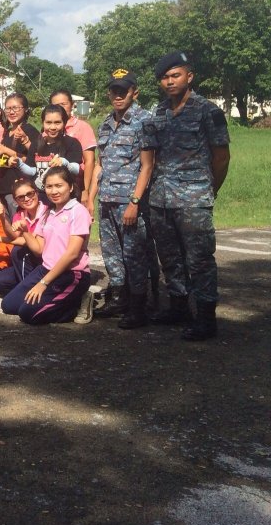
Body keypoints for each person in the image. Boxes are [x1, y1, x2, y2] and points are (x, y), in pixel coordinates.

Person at [143, 51, 230, 340]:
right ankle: (178, 306)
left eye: (175, 75)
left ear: (189, 77)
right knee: (170, 258)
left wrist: (208, 189)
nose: (169, 81)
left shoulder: (208, 111)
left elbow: (221, 157)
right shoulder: (158, 112)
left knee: (200, 260)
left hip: (194, 200)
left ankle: (206, 318)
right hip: (161, 199)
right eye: (165, 78)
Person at [93, 69, 154, 329]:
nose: (118, 96)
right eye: (114, 91)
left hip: (129, 201)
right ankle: (119, 298)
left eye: (123, 91)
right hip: (106, 199)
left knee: (134, 254)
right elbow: (100, 164)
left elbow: (148, 166)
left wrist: (134, 202)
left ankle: (139, 307)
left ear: (134, 93)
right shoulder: (106, 123)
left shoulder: (144, 121)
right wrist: (90, 198)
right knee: (111, 253)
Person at [0, 166, 92, 325]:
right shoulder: (48, 213)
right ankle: (64, 299)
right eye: (49, 186)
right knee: (8, 305)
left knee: (28, 314)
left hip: (71, 273)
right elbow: (39, 250)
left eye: (59, 186)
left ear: (70, 187)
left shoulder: (78, 211)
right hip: (45, 269)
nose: (54, 191)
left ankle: (78, 302)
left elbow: (72, 254)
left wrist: (43, 283)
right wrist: (25, 232)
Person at [16, 105, 84, 201]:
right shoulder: (36, 144)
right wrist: (18, 163)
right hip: (41, 198)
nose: (52, 127)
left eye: (57, 122)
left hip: (64, 198)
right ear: (43, 123)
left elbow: (76, 169)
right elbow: (32, 171)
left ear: (64, 123)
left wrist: (64, 162)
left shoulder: (72, 143)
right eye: (48, 122)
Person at [0, 178, 46, 296]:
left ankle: (29, 293)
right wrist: (2, 217)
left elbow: (36, 245)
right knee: (0, 281)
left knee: (18, 251)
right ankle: (23, 288)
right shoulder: (20, 214)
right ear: (16, 200)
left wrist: (2, 239)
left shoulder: (46, 212)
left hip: (43, 260)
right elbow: (13, 237)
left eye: (30, 194)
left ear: (36, 192)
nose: (26, 199)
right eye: (21, 197)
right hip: (30, 261)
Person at [0, 93, 41, 216]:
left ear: (25, 110)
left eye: (15, 108)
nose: (11, 112)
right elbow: (3, 161)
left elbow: (33, 158)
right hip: (4, 187)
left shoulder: (29, 130)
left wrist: (6, 150)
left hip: (19, 190)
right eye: (8, 108)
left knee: (19, 223)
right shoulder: (8, 132)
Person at [50, 90, 98, 209]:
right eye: (55, 105)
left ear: (72, 105)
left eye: (63, 104)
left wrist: (85, 190)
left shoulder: (82, 127)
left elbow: (89, 161)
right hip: (53, 187)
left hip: (76, 185)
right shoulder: (50, 127)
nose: (60, 108)